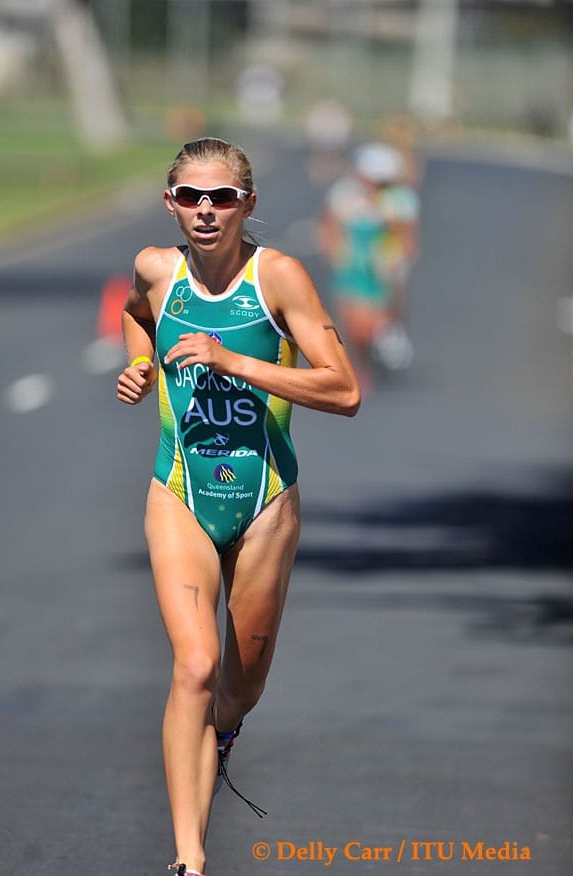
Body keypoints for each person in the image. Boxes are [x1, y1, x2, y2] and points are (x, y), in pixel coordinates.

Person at [116, 137, 360, 876]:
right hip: (181, 492)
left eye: (222, 197)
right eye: (191, 196)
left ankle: (221, 734)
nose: (206, 211)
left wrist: (236, 362)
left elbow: (344, 389)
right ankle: (189, 857)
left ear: (247, 204)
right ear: (170, 203)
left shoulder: (277, 277)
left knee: (240, 686)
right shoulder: (156, 270)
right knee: (195, 664)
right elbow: (137, 315)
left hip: (263, 506)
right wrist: (138, 363)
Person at [319, 141, 418, 391]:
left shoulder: (398, 201)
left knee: (375, 319)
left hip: (381, 269)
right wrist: (336, 252)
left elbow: (406, 236)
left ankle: (387, 332)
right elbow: (329, 226)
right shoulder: (344, 195)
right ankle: (360, 365)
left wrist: (396, 260)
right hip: (352, 267)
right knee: (353, 323)